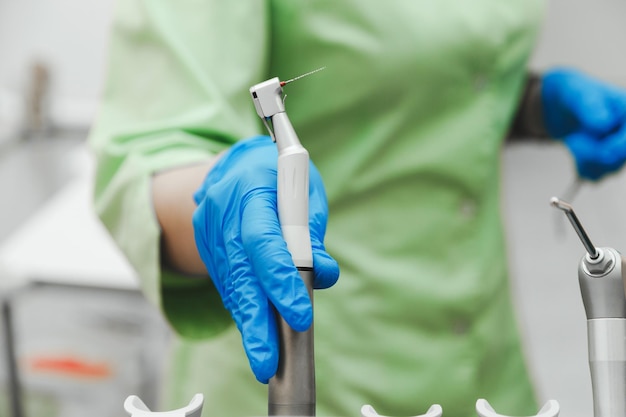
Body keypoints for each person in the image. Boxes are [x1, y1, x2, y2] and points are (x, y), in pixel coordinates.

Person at [88, 1, 626, 416]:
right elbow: (149, 153)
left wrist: (530, 106)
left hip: (485, 364)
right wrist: (221, 198)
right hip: (310, 375)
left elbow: (402, 89)